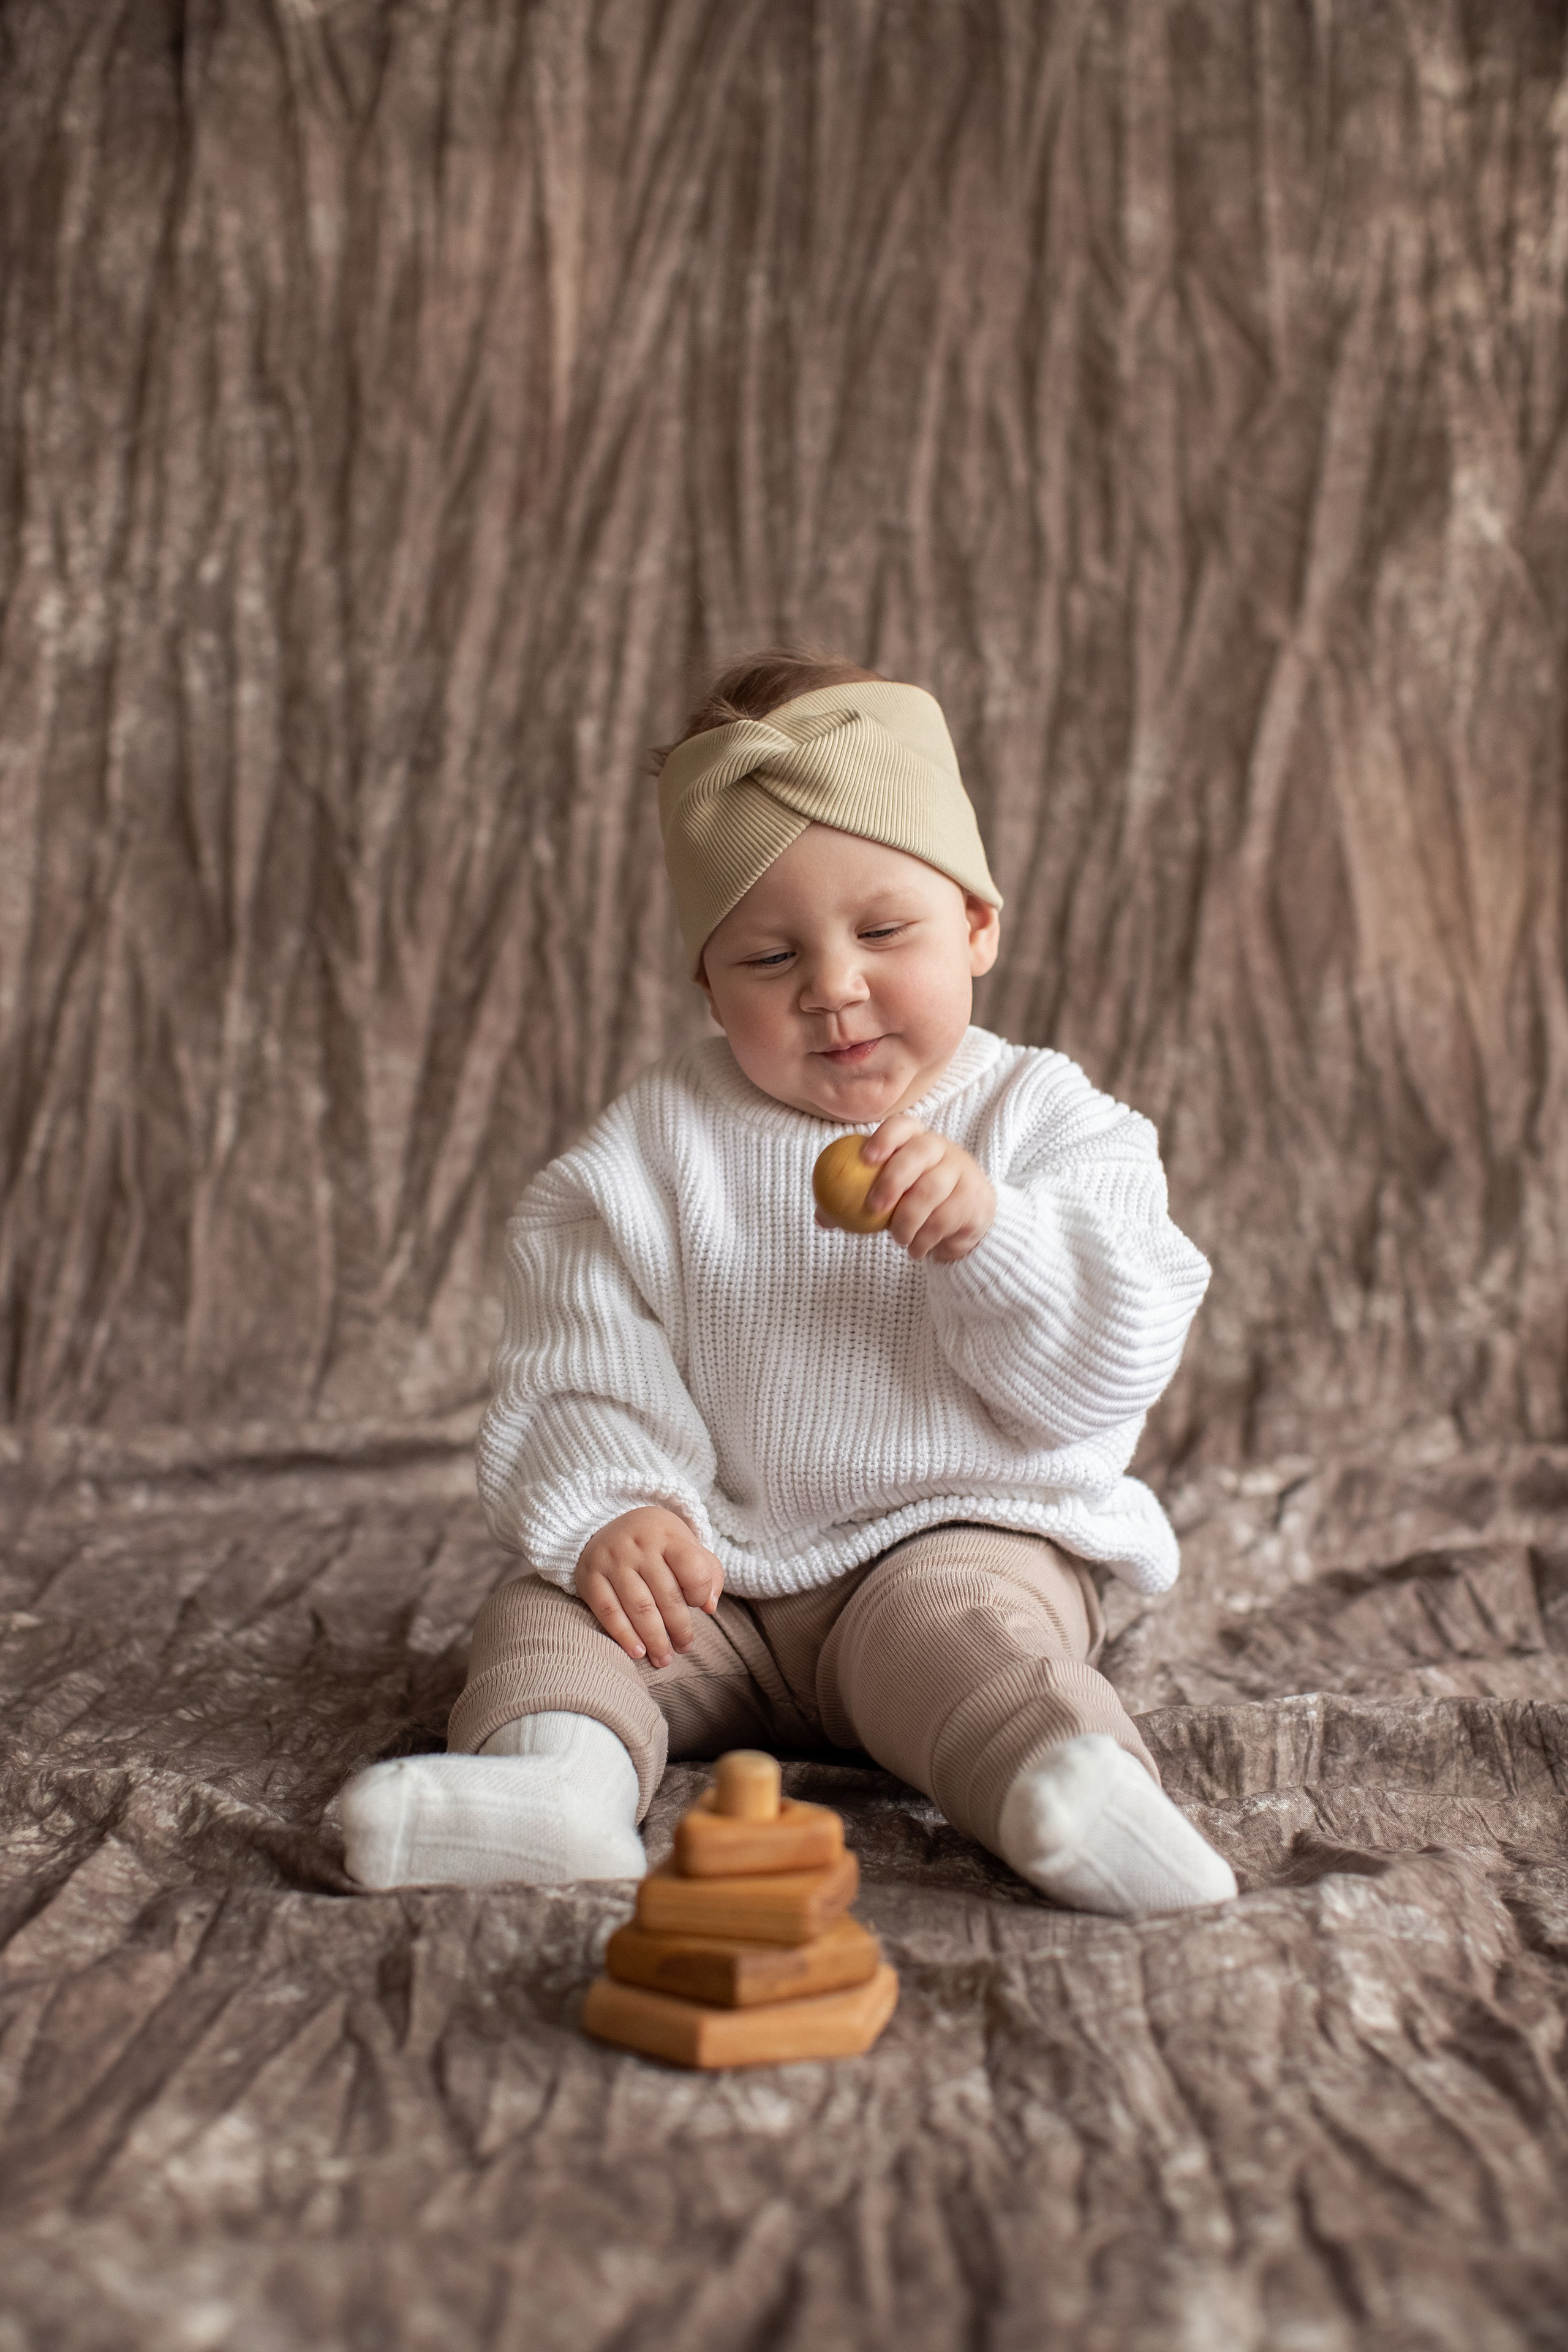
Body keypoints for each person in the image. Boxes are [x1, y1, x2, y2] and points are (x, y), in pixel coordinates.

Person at [339, 652, 1237, 1917]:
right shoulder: (646, 1152)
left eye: (882, 931)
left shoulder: (1047, 1125)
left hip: (950, 1538)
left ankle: (1072, 1796)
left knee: (971, 1645)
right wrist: (619, 1507)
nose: (831, 987)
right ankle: (556, 1785)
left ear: (976, 925)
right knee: (550, 1617)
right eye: (766, 959)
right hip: (722, 1581)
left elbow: (1105, 1365)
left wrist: (996, 1238)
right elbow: (579, 1359)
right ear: (706, 985)